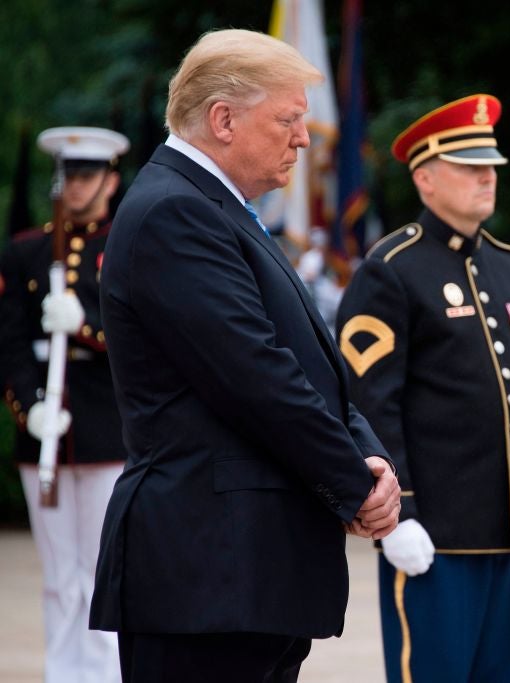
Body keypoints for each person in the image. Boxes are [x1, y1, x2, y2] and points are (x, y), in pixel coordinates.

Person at [87, 28, 400, 683]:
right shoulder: (175, 212)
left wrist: (367, 455)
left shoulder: (214, 209)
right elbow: (256, 376)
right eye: (288, 119)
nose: (306, 139)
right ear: (223, 119)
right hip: (206, 573)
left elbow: (304, 361)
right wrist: (354, 484)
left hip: (243, 575)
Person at [335, 94, 510, 683]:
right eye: (470, 166)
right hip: (432, 529)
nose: (487, 175)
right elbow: (368, 401)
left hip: (507, 527)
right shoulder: (393, 267)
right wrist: (398, 515)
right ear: (425, 178)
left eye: (490, 163)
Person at [0, 126, 129, 683]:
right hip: (47, 428)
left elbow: (138, 335)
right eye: (68, 176)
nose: (75, 187)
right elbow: (8, 342)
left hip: (106, 426)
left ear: (110, 180)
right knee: (58, 572)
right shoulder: (26, 251)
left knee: (101, 568)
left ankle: (103, 673)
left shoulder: (127, 245)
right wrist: (30, 410)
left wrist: (87, 327)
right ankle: (64, 673)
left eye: (86, 175)